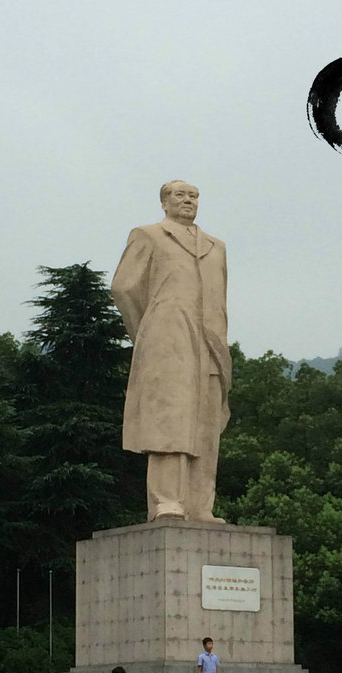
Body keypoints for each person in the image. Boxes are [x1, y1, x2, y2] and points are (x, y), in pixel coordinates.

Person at [112, 180, 232, 523]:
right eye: (180, 195)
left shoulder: (216, 247)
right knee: (171, 421)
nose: (188, 201)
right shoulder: (148, 236)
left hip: (211, 344)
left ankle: (201, 506)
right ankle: (167, 501)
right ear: (164, 202)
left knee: (206, 426)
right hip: (168, 340)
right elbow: (123, 288)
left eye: (193, 196)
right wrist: (148, 331)